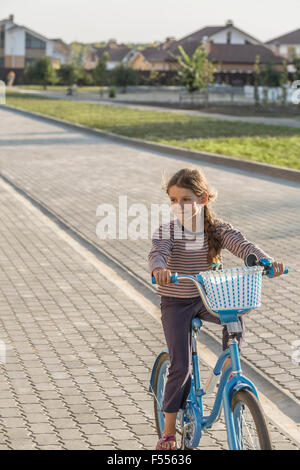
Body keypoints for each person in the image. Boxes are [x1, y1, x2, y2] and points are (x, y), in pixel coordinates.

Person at [148, 168, 285, 450]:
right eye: (173, 200)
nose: (179, 206)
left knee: (234, 316)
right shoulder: (168, 231)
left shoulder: (219, 229)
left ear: (205, 199)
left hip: (209, 297)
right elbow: (158, 251)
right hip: (176, 300)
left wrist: (266, 262)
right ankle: (169, 433)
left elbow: (244, 246)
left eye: (186, 199)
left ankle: (229, 366)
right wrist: (159, 268)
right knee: (181, 366)